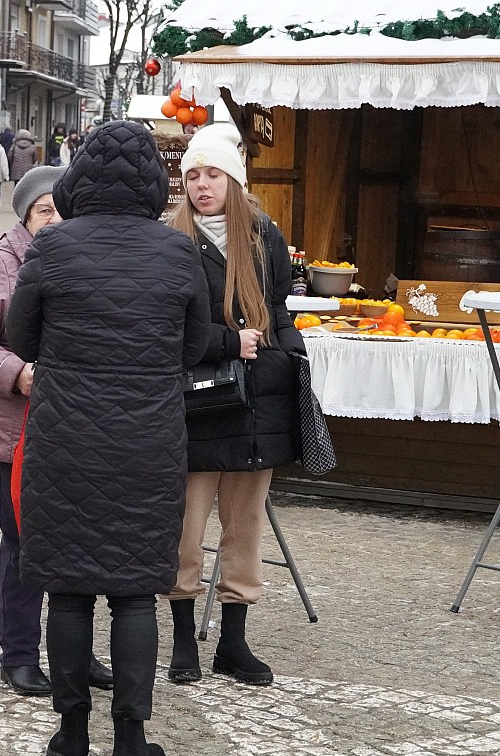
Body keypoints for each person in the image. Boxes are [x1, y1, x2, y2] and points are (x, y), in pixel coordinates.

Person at [6, 120, 210, 756]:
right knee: (132, 593)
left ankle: (69, 736)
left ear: (78, 179)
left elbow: (21, 336)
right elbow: (193, 348)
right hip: (148, 443)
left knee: (66, 588)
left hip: (64, 437)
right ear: (155, 181)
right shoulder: (178, 253)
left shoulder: (52, 247)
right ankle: (130, 744)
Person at [0, 165, 114, 697]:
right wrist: (18, 374)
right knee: (23, 543)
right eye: (46, 210)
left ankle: (76, 651)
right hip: (16, 427)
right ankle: (18, 655)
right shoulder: (3, 265)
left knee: (81, 537)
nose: (56, 218)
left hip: (78, 426)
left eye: (64, 209)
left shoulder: (87, 259)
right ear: (26, 216)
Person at [163, 123, 304, 687]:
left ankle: (234, 642)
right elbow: (168, 326)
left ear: (234, 181)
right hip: (196, 405)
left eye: (212, 174)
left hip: (254, 403)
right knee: (184, 528)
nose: (201, 185)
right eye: (193, 175)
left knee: (245, 528)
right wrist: (228, 342)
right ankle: (181, 641)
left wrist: (288, 358)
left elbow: (277, 310)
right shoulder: (171, 240)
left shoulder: (263, 236)